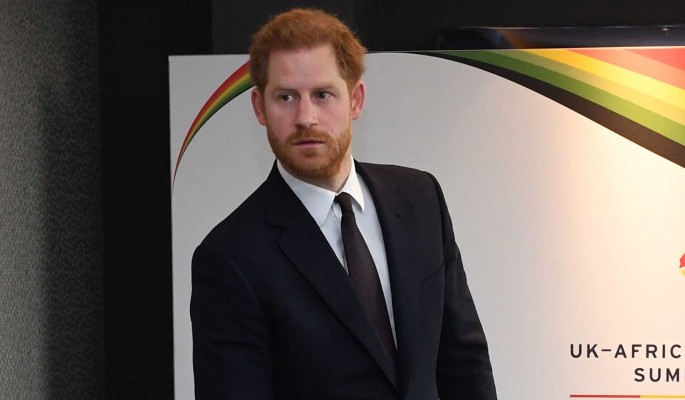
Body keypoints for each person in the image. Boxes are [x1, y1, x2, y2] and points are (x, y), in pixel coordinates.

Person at [190, 8, 497, 400]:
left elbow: (464, 362)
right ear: (259, 108)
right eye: (286, 97)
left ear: (355, 100)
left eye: (323, 95)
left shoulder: (421, 198)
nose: (306, 117)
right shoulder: (231, 257)